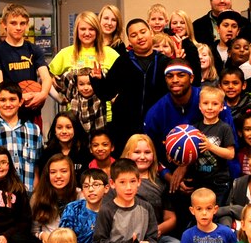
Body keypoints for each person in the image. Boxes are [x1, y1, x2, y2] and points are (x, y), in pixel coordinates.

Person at [143, 61, 236, 193]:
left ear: (191, 78)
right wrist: (170, 177)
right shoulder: (155, 113)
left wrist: (186, 165)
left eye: (181, 75)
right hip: (174, 177)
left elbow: (231, 149)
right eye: (170, 76)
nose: (175, 80)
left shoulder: (211, 102)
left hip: (216, 177)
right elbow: (151, 155)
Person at [89, 18, 171, 151]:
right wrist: (97, 80)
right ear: (129, 41)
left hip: (158, 125)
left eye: (142, 32)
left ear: (150, 32)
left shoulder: (165, 62)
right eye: (133, 35)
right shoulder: (122, 62)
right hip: (125, 129)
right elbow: (107, 93)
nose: (139, 37)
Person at [0, 3, 51, 123]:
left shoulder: (34, 49)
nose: (18, 27)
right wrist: (19, 96)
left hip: (32, 111)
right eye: (13, 23)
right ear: (4, 24)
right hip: (8, 112)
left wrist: (43, 94)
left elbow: (46, 77)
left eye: (22, 23)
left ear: (27, 25)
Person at [57, 168, 109, 243]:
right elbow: (62, 240)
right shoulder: (73, 208)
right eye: (86, 186)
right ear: (82, 191)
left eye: (96, 185)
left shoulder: (111, 212)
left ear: (106, 188)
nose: (91, 189)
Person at [190, 85, 236, 203]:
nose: (210, 107)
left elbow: (231, 154)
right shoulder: (194, 128)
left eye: (215, 104)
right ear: (200, 106)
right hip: (199, 179)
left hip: (219, 181)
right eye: (205, 103)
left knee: (216, 212)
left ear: (221, 107)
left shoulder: (224, 128)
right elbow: (189, 153)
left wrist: (211, 147)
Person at [37, 111, 91, 180]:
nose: (64, 131)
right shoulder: (47, 154)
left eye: (68, 127)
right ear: (54, 130)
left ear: (75, 129)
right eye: (59, 128)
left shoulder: (84, 153)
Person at [57, 68, 106, 134]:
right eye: (81, 84)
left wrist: (99, 76)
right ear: (76, 85)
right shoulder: (74, 93)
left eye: (90, 84)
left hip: (98, 133)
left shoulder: (100, 93)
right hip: (78, 134)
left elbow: (107, 81)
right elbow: (66, 76)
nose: (86, 88)